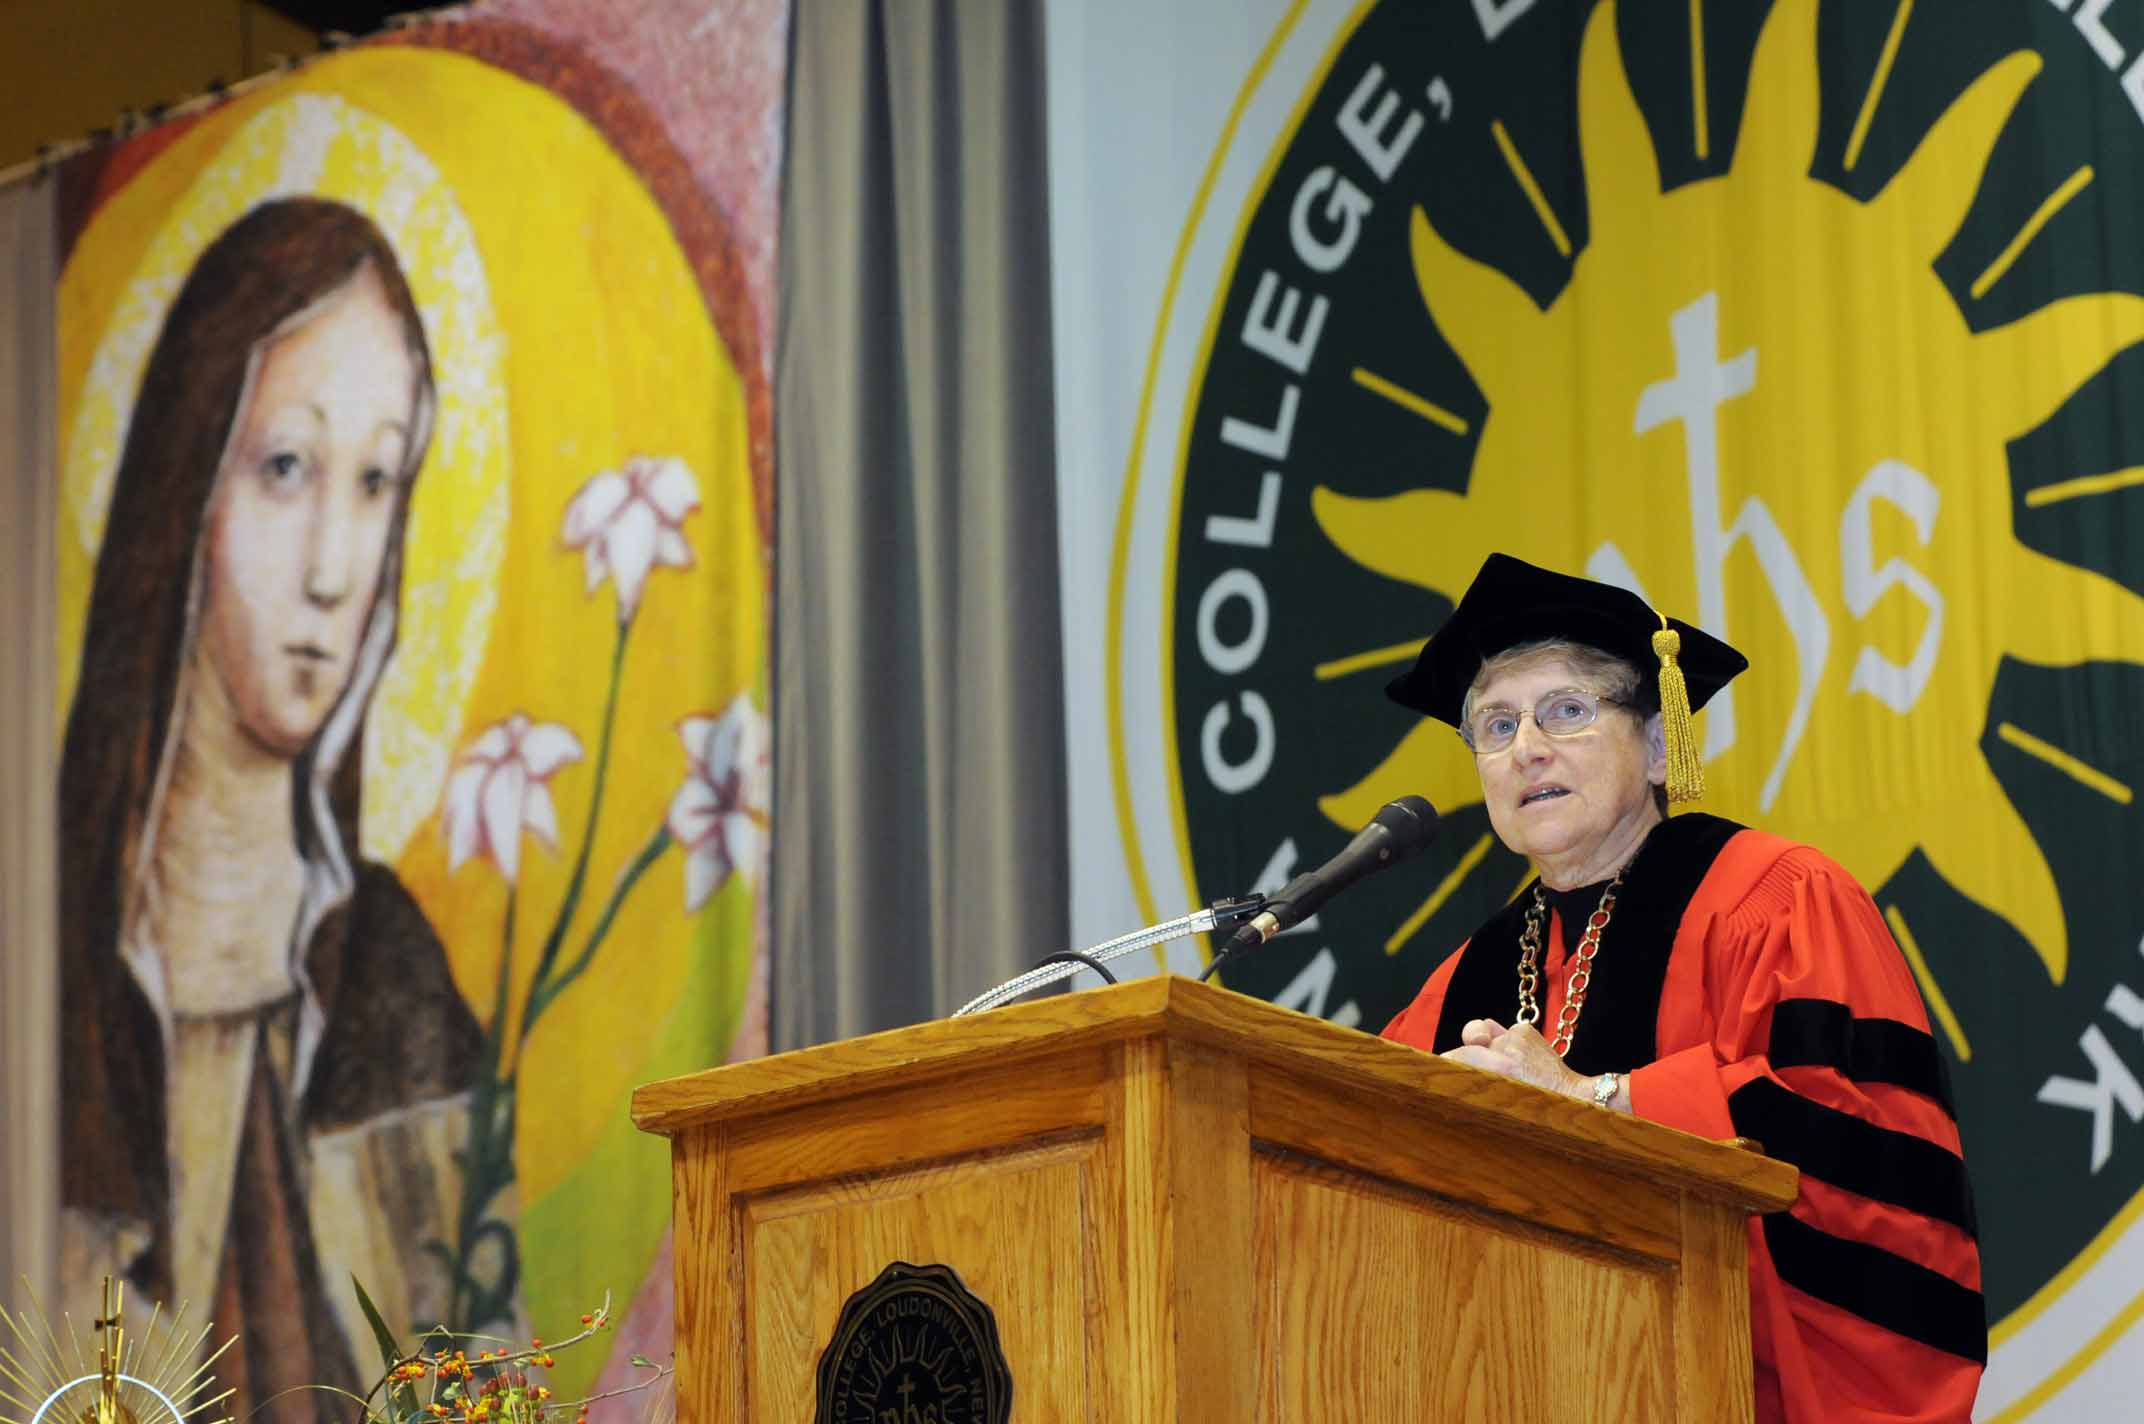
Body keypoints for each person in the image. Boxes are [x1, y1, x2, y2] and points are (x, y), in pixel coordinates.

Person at [1380, 553, 1983, 1424]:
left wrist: (1599, 1098)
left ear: (1661, 743)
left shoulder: (1781, 899)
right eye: (1496, 726)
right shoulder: (1456, 986)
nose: (1529, 749)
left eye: (1567, 711)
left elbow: (1864, 1156)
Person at [57, 199, 481, 1424]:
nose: (334, 567)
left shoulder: (395, 981)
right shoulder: (58, 980)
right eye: (286, 468)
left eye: (376, 480)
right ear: (186, 486)